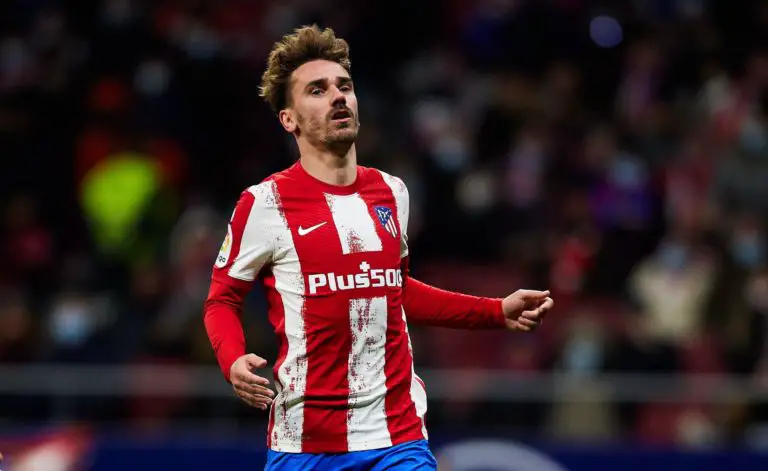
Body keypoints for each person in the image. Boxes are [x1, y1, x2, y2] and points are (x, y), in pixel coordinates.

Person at [203, 25, 554, 471]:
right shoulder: (264, 204)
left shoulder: (392, 192)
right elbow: (221, 299)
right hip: (304, 443)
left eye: (344, 86)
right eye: (317, 90)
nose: (338, 97)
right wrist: (232, 360)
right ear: (289, 119)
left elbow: (394, 291)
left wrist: (495, 310)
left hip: (397, 437)